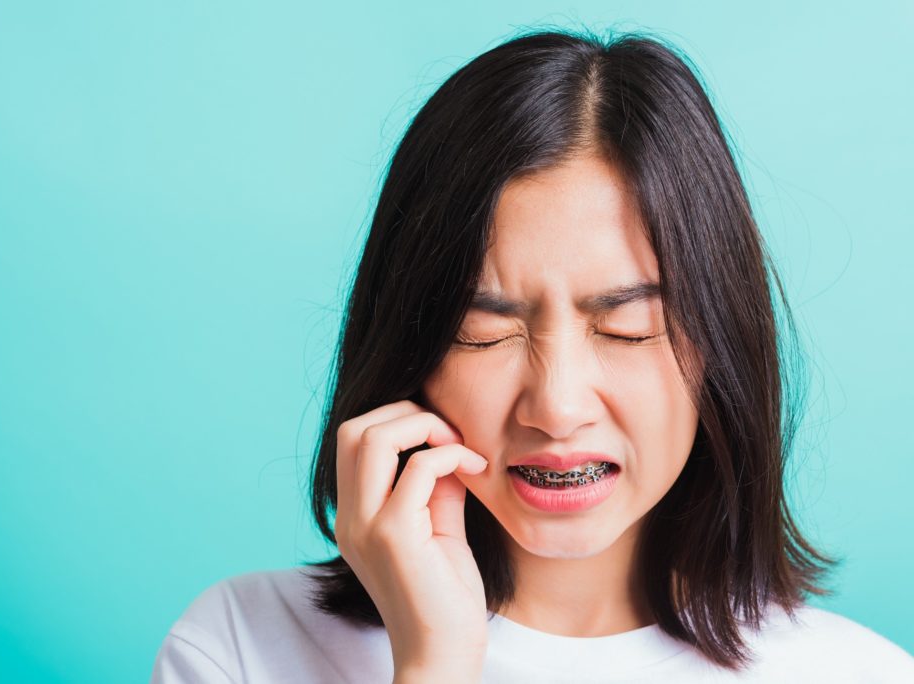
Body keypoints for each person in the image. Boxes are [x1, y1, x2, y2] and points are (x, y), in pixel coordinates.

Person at [150, 28, 914, 683]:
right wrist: (435, 660)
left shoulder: (859, 674)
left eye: (628, 327)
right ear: (407, 348)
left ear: (720, 346)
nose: (557, 406)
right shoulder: (240, 647)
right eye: (485, 331)